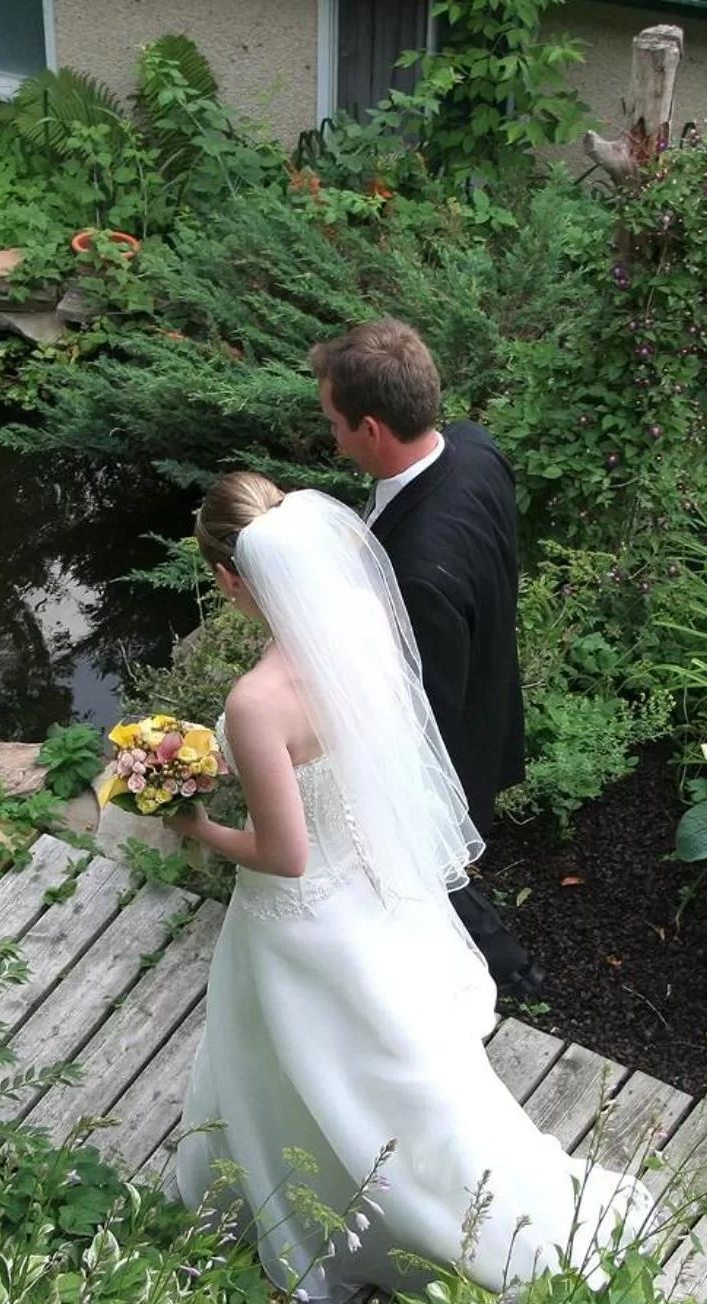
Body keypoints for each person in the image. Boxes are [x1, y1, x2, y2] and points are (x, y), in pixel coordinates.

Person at [167, 473, 651, 1304]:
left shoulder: (255, 704)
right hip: (373, 889)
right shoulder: (357, 622)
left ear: (229, 580)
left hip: (301, 918)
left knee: (293, 1067)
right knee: (384, 1071)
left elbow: (284, 855)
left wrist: (195, 826)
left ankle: (345, 1220)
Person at [308, 319, 545, 998]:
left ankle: (504, 968)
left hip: (447, 742)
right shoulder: (473, 446)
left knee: (430, 869)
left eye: (334, 422)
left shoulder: (417, 571)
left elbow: (425, 708)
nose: (332, 435)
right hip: (493, 687)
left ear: (372, 430)